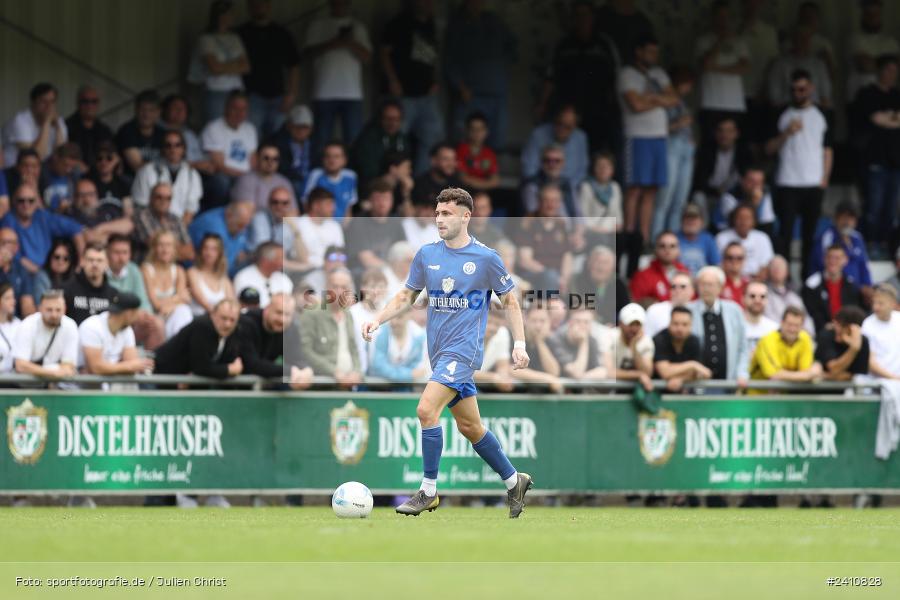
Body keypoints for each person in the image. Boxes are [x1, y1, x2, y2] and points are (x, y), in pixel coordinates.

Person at [361, 187, 533, 518]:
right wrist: (377, 319)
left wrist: (520, 343)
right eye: (437, 213)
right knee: (471, 427)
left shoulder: (485, 257)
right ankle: (515, 481)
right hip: (439, 354)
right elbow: (407, 296)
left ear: (466, 216)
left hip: (464, 352)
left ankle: (428, 491)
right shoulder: (426, 254)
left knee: (426, 410)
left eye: (447, 214)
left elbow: (510, 300)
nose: (439, 219)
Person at [765, 69, 833, 277]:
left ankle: (806, 276)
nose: (799, 93)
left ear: (811, 88)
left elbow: (828, 150)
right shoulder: (781, 114)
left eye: (803, 88)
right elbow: (768, 149)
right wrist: (787, 133)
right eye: (794, 89)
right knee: (785, 233)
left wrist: (824, 178)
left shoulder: (823, 115)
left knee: (809, 234)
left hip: (813, 182)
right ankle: (783, 277)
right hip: (787, 182)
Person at [537, 0, 619, 155]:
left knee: (596, 148)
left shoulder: (604, 44)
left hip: (598, 109)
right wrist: (542, 104)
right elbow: (550, 77)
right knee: (567, 148)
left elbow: (616, 79)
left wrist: (614, 108)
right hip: (568, 109)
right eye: (578, 15)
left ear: (593, 17)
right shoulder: (564, 44)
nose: (582, 19)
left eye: (585, 15)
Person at [619, 34, 678, 246]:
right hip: (637, 137)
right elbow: (636, 105)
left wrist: (651, 98)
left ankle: (642, 239)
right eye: (650, 51)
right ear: (639, 51)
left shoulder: (658, 73)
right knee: (635, 188)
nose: (654, 56)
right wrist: (659, 100)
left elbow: (674, 99)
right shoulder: (627, 73)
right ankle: (628, 235)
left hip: (659, 138)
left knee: (651, 189)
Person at [444, 0, 517, 149]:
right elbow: (449, 60)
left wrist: (503, 67)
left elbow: (513, 45)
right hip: (470, 94)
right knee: (462, 140)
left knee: (496, 140)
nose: (476, 4)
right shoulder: (458, 25)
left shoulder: (494, 21)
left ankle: (491, 171)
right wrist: (460, 85)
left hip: (496, 93)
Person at [380, 0, 443, 176]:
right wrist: (393, 80)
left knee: (431, 139)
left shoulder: (431, 24)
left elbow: (431, 57)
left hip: (426, 95)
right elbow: (384, 54)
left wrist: (434, 80)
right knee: (397, 140)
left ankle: (420, 182)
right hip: (403, 94)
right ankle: (393, 183)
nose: (428, 4)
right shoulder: (398, 23)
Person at [304, 0, 372, 155]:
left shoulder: (358, 26)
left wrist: (350, 43)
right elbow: (308, 54)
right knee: (320, 139)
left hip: (352, 93)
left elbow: (368, 57)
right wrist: (334, 42)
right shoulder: (318, 25)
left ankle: (353, 174)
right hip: (323, 91)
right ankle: (318, 173)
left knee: (354, 140)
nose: (340, 4)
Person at [851, 54, 900, 258]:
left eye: (894, 71)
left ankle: (884, 245)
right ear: (879, 71)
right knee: (873, 207)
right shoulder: (867, 93)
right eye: (887, 70)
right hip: (874, 160)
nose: (891, 75)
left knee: (890, 209)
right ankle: (870, 244)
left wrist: (889, 118)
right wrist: (893, 118)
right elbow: (877, 119)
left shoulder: (897, 94)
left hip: (895, 161)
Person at [236, 0, 301, 137]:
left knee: (278, 137)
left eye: (262, 3)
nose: (259, 7)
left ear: (269, 6)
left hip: (278, 96)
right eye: (255, 4)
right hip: (251, 95)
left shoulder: (281, 33)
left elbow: (293, 65)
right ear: (249, 7)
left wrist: (291, 94)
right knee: (252, 136)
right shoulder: (240, 33)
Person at [1, 183, 84, 276]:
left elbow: (75, 229)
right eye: (21, 200)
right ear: (14, 202)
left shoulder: (43, 216)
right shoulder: (8, 221)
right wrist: (39, 272)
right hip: (21, 273)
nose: (26, 204)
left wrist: (81, 261)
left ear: (36, 202)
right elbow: (11, 253)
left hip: (47, 271)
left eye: (31, 201)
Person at [694, 1, 749, 142]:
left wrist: (715, 68)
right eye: (719, 17)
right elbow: (705, 65)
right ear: (713, 18)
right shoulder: (703, 40)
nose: (723, 21)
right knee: (709, 144)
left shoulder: (739, 41)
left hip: (734, 103)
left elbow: (744, 68)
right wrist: (719, 42)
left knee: (734, 146)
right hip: (710, 102)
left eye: (726, 17)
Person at [653, 66, 696, 240]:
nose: (689, 88)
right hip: (671, 146)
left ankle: (673, 242)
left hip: (686, 149)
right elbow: (658, 128)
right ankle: (656, 239)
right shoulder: (665, 101)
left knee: (680, 199)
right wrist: (678, 123)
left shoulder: (682, 102)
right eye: (687, 83)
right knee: (665, 197)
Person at [300, 268, 363, 386]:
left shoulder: (348, 314)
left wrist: (357, 372)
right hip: (323, 384)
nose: (339, 292)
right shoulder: (312, 313)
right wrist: (334, 371)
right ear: (326, 287)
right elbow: (305, 351)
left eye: (344, 287)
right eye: (335, 286)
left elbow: (353, 349)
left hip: (348, 383)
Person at [688, 266, 749, 385]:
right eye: (702, 284)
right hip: (696, 383)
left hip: (729, 382)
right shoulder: (688, 310)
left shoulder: (734, 310)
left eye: (710, 284)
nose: (706, 288)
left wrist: (742, 373)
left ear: (720, 287)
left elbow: (743, 347)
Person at [153, 297, 243, 379]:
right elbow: (201, 367)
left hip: (179, 381)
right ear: (213, 315)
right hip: (159, 376)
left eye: (232, 320)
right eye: (223, 318)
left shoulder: (234, 331)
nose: (228, 324)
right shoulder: (202, 326)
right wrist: (229, 369)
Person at [238, 293, 313, 387]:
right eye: (279, 312)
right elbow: (252, 364)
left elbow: (297, 358)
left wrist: (306, 369)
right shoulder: (247, 322)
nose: (282, 319)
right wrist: (290, 371)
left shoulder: (290, 328)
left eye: (287, 315)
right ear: (266, 309)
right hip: (231, 384)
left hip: (264, 383)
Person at [105, 234, 165, 352]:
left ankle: (152, 366)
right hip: (109, 320)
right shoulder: (100, 270)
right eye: (116, 252)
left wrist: (145, 316)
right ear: (107, 253)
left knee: (156, 323)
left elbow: (143, 302)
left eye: (125, 252)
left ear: (130, 254)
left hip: (131, 320)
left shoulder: (134, 270)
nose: (121, 257)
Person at [191, 0, 249, 121]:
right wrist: (234, 65)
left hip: (236, 91)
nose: (228, 17)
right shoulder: (206, 38)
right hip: (215, 91)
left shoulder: (235, 38)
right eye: (224, 14)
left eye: (230, 14)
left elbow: (245, 66)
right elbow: (214, 68)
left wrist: (223, 66)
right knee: (215, 125)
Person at [201, 90, 259, 208]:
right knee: (221, 182)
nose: (239, 113)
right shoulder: (213, 128)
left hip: (245, 175)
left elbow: (253, 160)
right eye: (235, 108)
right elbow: (219, 165)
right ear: (226, 108)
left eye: (243, 109)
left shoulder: (250, 129)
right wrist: (244, 177)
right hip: (224, 175)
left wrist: (251, 177)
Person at [131, 130, 203, 223]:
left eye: (177, 145)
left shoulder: (192, 174)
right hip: (150, 224)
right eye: (168, 145)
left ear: (183, 148)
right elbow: (141, 206)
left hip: (179, 226)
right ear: (162, 149)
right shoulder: (146, 171)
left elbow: (190, 211)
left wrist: (176, 232)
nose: (173, 149)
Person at [691, 117, 752, 224]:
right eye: (720, 130)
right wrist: (715, 191)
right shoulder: (707, 151)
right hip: (709, 194)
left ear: (736, 133)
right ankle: (705, 231)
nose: (724, 135)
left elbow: (746, 178)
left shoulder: (742, 153)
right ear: (715, 133)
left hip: (732, 195)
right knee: (698, 197)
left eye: (729, 131)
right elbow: (699, 182)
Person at [513, 185, 573, 294]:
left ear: (559, 203)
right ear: (539, 202)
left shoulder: (561, 224)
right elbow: (525, 260)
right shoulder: (528, 223)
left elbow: (567, 256)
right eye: (547, 200)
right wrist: (553, 276)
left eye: (554, 201)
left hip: (557, 277)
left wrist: (564, 278)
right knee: (550, 277)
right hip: (534, 275)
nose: (551, 205)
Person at [810, 201, 873, 303]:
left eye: (851, 218)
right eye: (844, 217)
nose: (847, 222)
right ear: (836, 219)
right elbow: (825, 266)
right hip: (833, 289)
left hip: (857, 292)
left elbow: (864, 266)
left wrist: (867, 286)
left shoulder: (857, 238)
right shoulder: (827, 237)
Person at [78, 292, 153, 375]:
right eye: (137, 312)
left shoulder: (127, 330)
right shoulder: (91, 327)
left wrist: (124, 367)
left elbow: (132, 364)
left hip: (108, 386)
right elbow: (96, 368)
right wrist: (128, 366)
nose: (138, 316)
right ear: (129, 314)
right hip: (81, 386)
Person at [12, 289, 79, 379]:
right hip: (26, 385)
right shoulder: (27, 325)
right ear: (40, 309)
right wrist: (52, 373)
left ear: (65, 309)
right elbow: (20, 365)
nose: (54, 315)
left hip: (55, 384)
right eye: (49, 310)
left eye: (58, 310)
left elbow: (68, 365)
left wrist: (53, 373)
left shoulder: (70, 325)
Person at [816, 305, 896, 380]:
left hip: (851, 391)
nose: (836, 328)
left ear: (854, 329)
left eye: (841, 326)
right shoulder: (826, 336)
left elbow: (855, 375)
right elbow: (834, 369)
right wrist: (853, 349)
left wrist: (854, 348)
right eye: (836, 324)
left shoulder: (863, 341)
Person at [142, 231, 194, 339]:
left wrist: (169, 305)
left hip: (171, 316)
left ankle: (180, 346)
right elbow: (156, 305)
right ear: (154, 248)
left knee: (183, 310)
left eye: (169, 245)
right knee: (182, 310)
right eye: (161, 245)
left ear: (174, 249)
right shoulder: (146, 270)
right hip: (152, 318)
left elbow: (184, 300)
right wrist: (177, 297)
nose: (165, 250)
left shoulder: (178, 270)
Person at [750, 305, 822, 382]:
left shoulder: (805, 338)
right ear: (782, 323)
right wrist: (809, 375)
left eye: (797, 325)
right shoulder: (767, 341)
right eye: (789, 324)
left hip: (786, 392)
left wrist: (806, 374)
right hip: (757, 392)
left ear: (802, 326)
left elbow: (805, 370)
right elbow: (774, 375)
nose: (792, 329)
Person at [802, 244, 864, 333]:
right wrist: (826, 326)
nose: (832, 261)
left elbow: (855, 311)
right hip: (821, 332)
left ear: (845, 260)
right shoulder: (812, 285)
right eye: (829, 257)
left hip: (847, 330)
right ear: (824, 259)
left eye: (837, 258)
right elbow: (810, 313)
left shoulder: (852, 285)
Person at [767, 25, 832, 110]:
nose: (802, 42)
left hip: (814, 109)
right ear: (793, 41)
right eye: (799, 39)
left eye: (805, 39)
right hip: (787, 109)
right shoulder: (780, 64)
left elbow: (825, 96)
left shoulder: (819, 65)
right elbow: (774, 97)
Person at [2, 82, 67, 165]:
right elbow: (36, 156)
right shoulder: (21, 120)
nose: (49, 106)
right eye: (44, 101)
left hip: (40, 170)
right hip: (15, 170)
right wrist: (46, 123)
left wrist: (58, 127)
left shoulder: (59, 121)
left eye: (52, 102)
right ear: (33, 102)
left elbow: (62, 156)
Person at [248, 186, 309, 274]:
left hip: (280, 270)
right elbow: (266, 256)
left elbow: (303, 257)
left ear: (290, 205)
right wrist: (302, 268)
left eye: (284, 203)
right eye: (275, 202)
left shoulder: (290, 223)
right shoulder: (260, 219)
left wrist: (295, 229)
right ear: (268, 203)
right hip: (256, 267)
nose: (279, 206)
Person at [522, 105, 589, 185]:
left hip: (569, 188)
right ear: (554, 120)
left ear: (575, 126)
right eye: (559, 123)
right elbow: (529, 168)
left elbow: (582, 171)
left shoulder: (580, 138)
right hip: (540, 187)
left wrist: (566, 189)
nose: (561, 129)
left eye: (567, 127)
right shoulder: (538, 134)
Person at [847, 0, 899, 99]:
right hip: (859, 97)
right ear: (863, 16)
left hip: (887, 97)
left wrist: (875, 63)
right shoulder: (855, 39)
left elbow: (896, 67)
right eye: (869, 15)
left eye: (875, 15)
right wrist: (887, 66)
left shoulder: (891, 42)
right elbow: (865, 65)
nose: (872, 19)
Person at [188, 199, 254, 275]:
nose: (243, 230)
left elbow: (242, 252)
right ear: (229, 215)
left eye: (246, 226)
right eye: (240, 225)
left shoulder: (238, 223)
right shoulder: (213, 226)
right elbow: (218, 261)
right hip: (199, 273)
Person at [133, 183, 195, 263]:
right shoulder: (142, 215)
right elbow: (155, 244)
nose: (163, 201)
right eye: (159, 197)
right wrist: (177, 247)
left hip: (171, 269)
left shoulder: (176, 219)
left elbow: (190, 253)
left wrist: (167, 248)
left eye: (168, 198)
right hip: (147, 267)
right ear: (151, 198)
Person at [351, 100, 409, 187]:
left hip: (396, 179)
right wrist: (389, 175)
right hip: (370, 183)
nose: (392, 123)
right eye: (389, 119)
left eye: (397, 119)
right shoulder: (368, 138)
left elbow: (407, 162)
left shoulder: (402, 138)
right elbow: (368, 171)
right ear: (381, 119)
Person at [653, 306, 710, 392]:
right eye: (676, 324)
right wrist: (692, 365)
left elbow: (702, 373)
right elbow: (665, 372)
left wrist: (681, 379)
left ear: (691, 325)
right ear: (669, 323)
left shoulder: (694, 341)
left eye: (684, 324)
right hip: (656, 393)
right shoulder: (659, 339)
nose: (680, 329)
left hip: (682, 395)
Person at [570, 245, 629, 327]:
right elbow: (577, 306)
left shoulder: (619, 284)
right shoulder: (578, 280)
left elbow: (626, 311)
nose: (601, 267)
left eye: (605, 263)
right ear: (589, 263)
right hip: (586, 326)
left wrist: (615, 324)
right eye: (597, 262)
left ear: (612, 267)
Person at [368, 306, 428, 386]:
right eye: (391, 318)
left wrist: (400, 375)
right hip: (379, 386)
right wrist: (408, 374)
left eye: (399, 317)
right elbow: (378, 366)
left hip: (406, 387)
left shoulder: (419, 335)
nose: (394, 322)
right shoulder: (379, 333)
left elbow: (418, 366)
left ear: (409, 314)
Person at [509, 304, 562, 393]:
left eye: (542, 321)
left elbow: (554, 372)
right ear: (525, 320)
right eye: (534, 321)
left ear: (549, 322)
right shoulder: (515, 338)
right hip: (516, 393)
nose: (538, 325)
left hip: (542, 396)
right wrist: (547, 378)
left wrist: (539, 342)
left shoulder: (551, 341)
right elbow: (511, 369)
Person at [62, 242, 118, 324]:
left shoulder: (113, 295)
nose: (95, 264)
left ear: (107, 264)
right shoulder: (66, 290)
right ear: (82, 261)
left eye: (99, 260)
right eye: (90, 260)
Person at [161, 94, 215, 177]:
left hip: (197, 173)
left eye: (183, 108)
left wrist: (208, 165)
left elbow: (200, 157)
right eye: (175, 107)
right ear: (166, 109)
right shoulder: (159, 131)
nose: (179, 111)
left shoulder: (190, 134)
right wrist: (195, 165)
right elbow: (169, 161)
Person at [114, 90, 165, 178]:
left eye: (151, 110)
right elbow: (137, 166)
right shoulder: (127, 131)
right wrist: (164, 167)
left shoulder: (163, 133)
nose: (147, 114)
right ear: (136, 110)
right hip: (131, 180)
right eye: (143, 109)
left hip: (159, 179)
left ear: (158, 112)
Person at [230, 143, 296, 211]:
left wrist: (283, 220)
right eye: (266, 158)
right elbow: (246, 214)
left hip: (282, 221)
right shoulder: (245, 181)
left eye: (275, 159)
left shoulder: (284, 182)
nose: (270, 162)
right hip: (255, 220)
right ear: (257, 158)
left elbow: (294, 212)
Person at [66, 179, 134, 245]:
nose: (87, 200)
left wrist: (101, 229)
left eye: (91, 194)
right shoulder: (71, 215)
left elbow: (128, 224)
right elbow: (89, 238)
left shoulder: (107, 209)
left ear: (97, 195)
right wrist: (112, 232)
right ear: (75, 197)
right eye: (82, 195)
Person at [715, 203, 774, 279]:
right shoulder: (721, 238)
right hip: (729, 280)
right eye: (740, 217)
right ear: (734, 219)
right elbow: (719, 265)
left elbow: (766, 266)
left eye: (747, 218)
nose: (743, 221)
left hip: (756, 280)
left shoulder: (762, 238)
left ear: (754, 221)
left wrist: (753, 283)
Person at [629, 231, 688, 305]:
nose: (667, 250)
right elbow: (636, 305)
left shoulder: (685, 273)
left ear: (679, 250)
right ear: (655, 249)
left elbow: (693, 300)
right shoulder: (642, 276)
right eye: (662, 246)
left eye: (672, 246)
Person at [520, 144, 578, 219]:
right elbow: (534, 216)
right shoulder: (531, 185)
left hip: (571, 228)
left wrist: (579, 227)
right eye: (547, 160)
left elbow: (578, 213)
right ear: (541, 162)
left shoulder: (568, 183)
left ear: (563, 163)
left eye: (557, 161)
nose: (552, 164)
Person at [302, 143, 357, 221]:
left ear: (344, 160)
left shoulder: (351, 176)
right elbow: (306, 205)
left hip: (341, 227)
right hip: (319, 225)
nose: (332, 160)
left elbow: (348, 209)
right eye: (328, 156)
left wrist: (342, 229)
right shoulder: (315, 175)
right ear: (323, 159)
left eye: (336, 156)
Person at [294, 187, 345, 271]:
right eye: (328, 204)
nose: (333, 208)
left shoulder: (335, 226)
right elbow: (298, 257)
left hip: (332, 270)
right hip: (306, 271)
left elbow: (339, 254)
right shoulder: (298, 224)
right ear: (315, 205)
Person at [270, 105, 314, 201]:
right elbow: (281, 168)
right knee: (296, 185)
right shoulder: (279, 142)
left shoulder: (315, 143)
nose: (301, 131)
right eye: (297, 127)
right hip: (289, 180)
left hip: (310, 178)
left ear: (310, 129)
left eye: (304, 127)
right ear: (289, 126)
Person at [717, 165, 775, 237]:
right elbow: (737, 223)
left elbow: (767, 222)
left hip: (752, 233)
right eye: (751, 181)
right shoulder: (730, 196)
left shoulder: (765, 194)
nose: (755, 186)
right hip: (727, 232)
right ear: (742, 181)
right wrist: (754, 203)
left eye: (759, 182)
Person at [350, 267, 389, 373]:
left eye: (381, 287)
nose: (376, 291)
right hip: (358, 371)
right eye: (372, 286)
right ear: (363, 288)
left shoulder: (389, 313)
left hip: (386, 374)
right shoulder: (352, 313)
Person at [764, 254, 815, 335]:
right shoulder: (763, 294)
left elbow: (807, 320)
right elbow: (769, 321)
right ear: (769, 271)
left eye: (780, 267)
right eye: (774, 267)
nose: (777, 269)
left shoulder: (794, 296)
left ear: (787, 271)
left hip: (798, 337)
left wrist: (805, 333)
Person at [65, 85, 113, 169]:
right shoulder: (67, 126)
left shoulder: (105, 130)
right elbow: (64, 155)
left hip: (100, 171)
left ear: (98, 104)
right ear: (78, 103)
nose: (89, 105)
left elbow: (112, 153)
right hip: (75, 172)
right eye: (85, 101)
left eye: (94, 101)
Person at [233, 242, 293, 309]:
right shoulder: (243, 277)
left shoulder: (284, 280)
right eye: (280, 258)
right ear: (266, 260)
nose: (283, 262)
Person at [610, 303, 654, 391]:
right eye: (630, 324)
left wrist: (634, 347)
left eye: (637, 324)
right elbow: (608, 372)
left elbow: (647, 372)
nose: (634, 329)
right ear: (621, 324)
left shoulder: (646, 341)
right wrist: (638, 375)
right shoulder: (610, 337)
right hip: (608, 391)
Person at [187, 233, 234, 317]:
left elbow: (231, 304)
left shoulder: (224, 280)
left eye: (214, 249)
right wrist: (221, 315)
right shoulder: (192, 272)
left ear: (220, 253)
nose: (209, 252)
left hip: (220, 321)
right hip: (199, 320)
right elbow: (203, 302)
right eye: (206, 248)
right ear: (201, 250)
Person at [577, 152, 623, 238]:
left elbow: (619, 217)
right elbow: (583, 216)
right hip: (592, 231)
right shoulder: (586, 187)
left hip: (611, 231)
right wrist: (598, 230)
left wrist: (613, 229)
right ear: (594, 169)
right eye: (600, 166)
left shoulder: (615, 187)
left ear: (612, 170)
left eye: (607, 166)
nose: (603, 169)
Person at [861, 285, 900, 378]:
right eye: (874, 303)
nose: (875, 307)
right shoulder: (867, 324)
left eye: (880, 303)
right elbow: (870, 362)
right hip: (877, 384)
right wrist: (895, 378)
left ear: (893, 304)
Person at [456, 112, 499, 192]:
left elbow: (495, 181)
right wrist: (486, 183)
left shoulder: (489, 153)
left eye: (480, 129)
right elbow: (463, 179)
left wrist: (474, 182)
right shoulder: (461, 149)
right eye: (473, 129)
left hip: (481, 195)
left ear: (486, 131)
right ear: (467, 131)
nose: (477, 133)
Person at [88, 141, 132, 215]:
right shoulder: (88, 183)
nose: (103, 162)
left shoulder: (124, 184)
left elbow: (128, 214)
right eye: (99, 158)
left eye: (109, 158)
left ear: (116, 160)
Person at [645, 271, 694, 338]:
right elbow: (647, 339)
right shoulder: (655, 310)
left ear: (692, 290)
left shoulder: (698, 312)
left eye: (683, 286)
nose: (677, 290)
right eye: (673, 286)